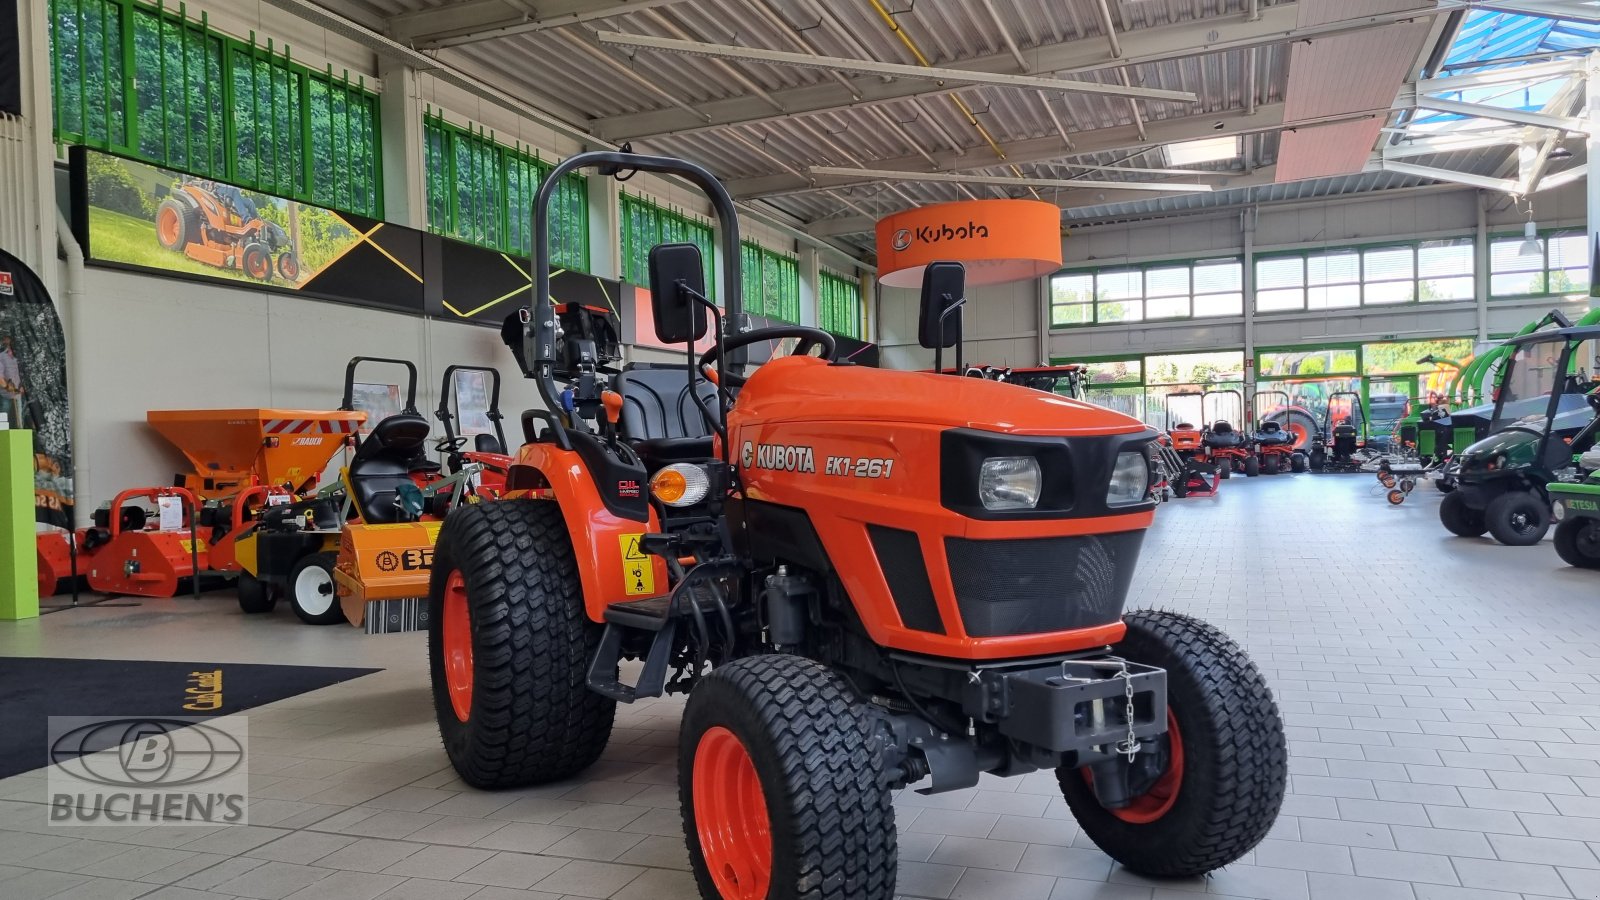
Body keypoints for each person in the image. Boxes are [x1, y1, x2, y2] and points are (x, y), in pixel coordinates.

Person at [0, 334, 23, 426]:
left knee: (20, 424)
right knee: (2, 422)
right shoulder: (1, 356)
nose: (7, 342)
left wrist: (21, 387)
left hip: (18, 395)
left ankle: (20, 439)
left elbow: (21, 373)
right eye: (5, 341)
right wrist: (6, 387)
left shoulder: (18, 357)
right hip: (5, 395)